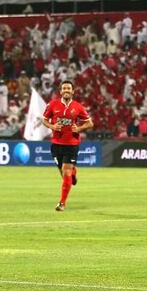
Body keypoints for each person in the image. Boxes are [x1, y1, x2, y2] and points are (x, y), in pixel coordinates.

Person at [41, 80, 94, 212]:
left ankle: (62, 203)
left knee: (66, 171)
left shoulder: (78, 107)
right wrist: (52, 126)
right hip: (56, 144)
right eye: (64, 88)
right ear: (60, 91)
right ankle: (73, 173)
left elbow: (90, 123)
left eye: (69, 88)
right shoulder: (52, 105)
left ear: (73, 91)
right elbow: (44, 119)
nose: (66, 90)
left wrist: (79, 128)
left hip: (71, 144)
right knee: (64, 173)